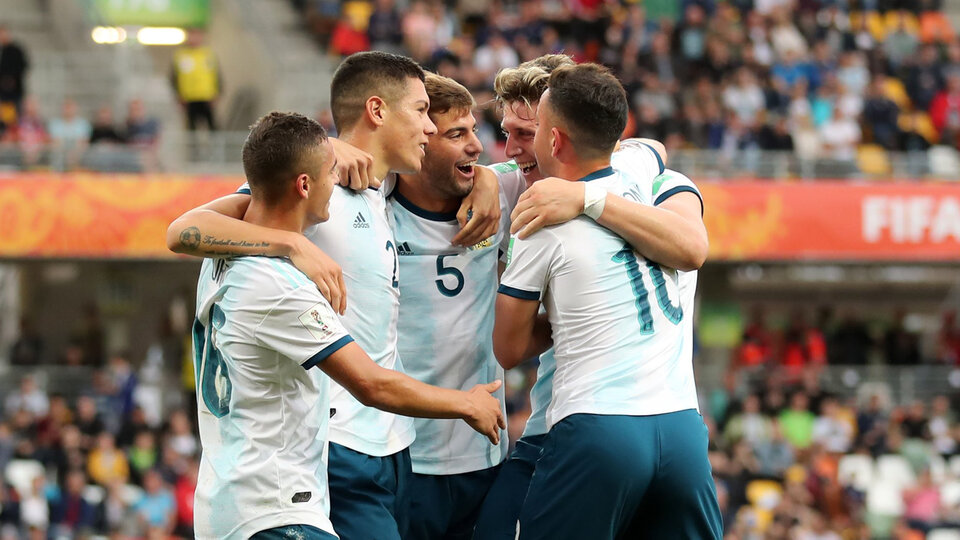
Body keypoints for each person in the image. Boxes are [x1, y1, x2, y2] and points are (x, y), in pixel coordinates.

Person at [168, 52, 502, 540]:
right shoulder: (316, 190)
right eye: (421, 111)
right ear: (377, 111)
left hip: (393, 445)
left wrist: (488, 177)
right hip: (336, 448)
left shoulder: (379, 185)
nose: (430, 127)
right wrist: (292, 241)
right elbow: (184, 229)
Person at [475, 55, 705, 540]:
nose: (513, 148)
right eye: (507, 132)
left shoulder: (544, 216)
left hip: (589, 427)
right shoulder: (642, 175)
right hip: (680, 427)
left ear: (554, 136)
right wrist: (489, 177)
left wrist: (583, 200)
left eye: (526, 133)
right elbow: (648, 148)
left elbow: (693, 249)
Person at [389, 73, 515, 540]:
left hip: (483, 452)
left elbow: (637, 149)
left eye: (475, 131)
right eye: (456, 134)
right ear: (417, 140)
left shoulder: (502, 192)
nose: (476, 147)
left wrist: (486, 180)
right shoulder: (365, 202)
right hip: (401, 455)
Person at [171, 30, 220, 132]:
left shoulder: (208, 54)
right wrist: (178, 96)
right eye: (191, 35)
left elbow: (217, 75)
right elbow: (173, 78)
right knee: (191, 129)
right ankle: (194, 148)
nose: (194, 38)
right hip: (188, 98)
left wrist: (217, 94)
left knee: (213, 128)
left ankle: (216, 147)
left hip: (207, 96)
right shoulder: (180, 55)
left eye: (196, 35)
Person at [0, 26, 28, 114]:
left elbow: (23, 66)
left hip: (15, 91)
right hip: (1, 91)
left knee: (15, 116)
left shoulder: (16, 50)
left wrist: (11, 79)